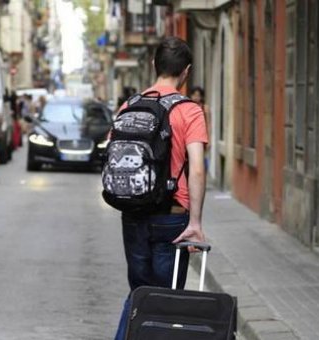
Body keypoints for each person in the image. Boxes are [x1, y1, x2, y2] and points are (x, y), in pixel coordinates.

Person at [113, 37, 208, 339]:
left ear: (154, 65)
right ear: (186, 72)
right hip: (173, 217)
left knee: (140, 295)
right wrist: (195, 223)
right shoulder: (190, 111)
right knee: (166, 302)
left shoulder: (128, 106)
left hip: (133, 214)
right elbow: (196, 168)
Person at [190, 86, 211, 170]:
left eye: (198, 95)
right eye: (194, 95)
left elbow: (208, 124)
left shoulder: (205, 108)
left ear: (201, 97)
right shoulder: (189, 107)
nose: (196, 97)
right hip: (191, 136)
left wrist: (209, 140)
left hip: (202, 137)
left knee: (201, 161)